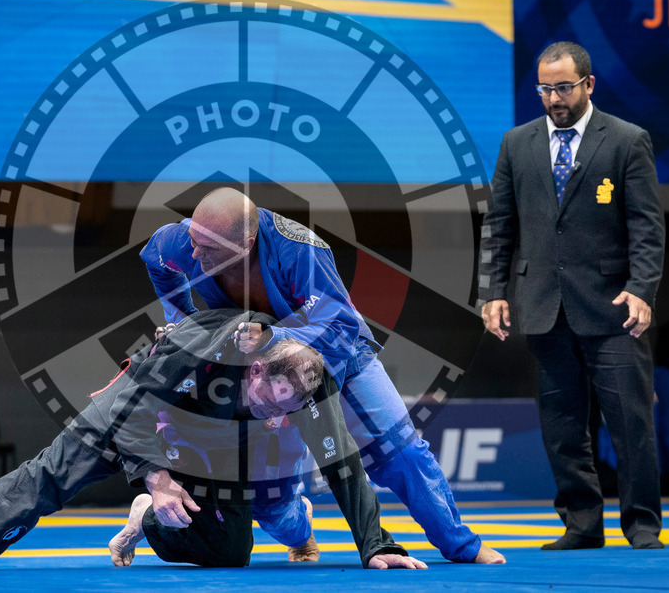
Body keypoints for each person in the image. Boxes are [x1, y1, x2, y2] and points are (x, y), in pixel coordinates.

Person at [0, 308, 424, 573]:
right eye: (270, 403)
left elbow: (343, 464)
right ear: (255, 369)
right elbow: (133, 409)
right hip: (142, 411)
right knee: (49, 478)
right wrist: (155, 476)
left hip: (216, 435)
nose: (277, 418)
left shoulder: (307, 382)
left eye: (288, 413)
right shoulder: (196, 348)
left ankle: (147, 519)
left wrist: (377, 545)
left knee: (229, 551)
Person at [140, 188, 505, 564]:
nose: (195, 255)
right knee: (270, 502)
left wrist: (276, 336)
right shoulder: (190, 240)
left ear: (246, 243)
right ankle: (301, 528)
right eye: (193, 243)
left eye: (208, 250)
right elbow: (154, 257)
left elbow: (341, 326)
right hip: (262, 375)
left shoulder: (299, 250)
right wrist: (182, 320)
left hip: (337, 356)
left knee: (400, 451)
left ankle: (462, 545)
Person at [479, 41, 665, 550]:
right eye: (545, 88)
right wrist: (493, 292)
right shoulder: (516, 143)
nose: (554, 97)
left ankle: (643, 526)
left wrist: (641, 289)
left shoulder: (627, 140)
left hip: (613, 310)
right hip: (542, 305)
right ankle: (582, 524)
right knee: (562, 428)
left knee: (630, 425)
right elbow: (498, 225)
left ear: (589, 84)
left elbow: (647, 228)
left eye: (563, 87)